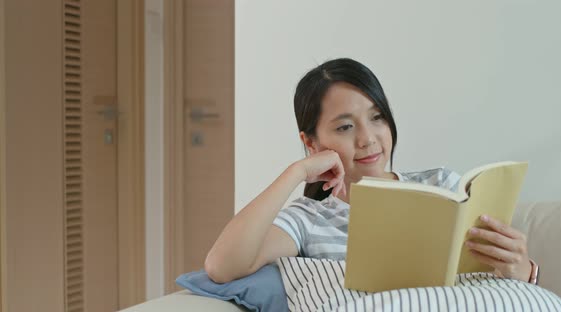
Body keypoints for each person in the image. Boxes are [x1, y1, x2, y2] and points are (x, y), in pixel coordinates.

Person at [205, 58, 536, 286]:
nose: (368, 139)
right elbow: (222, 266)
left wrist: (521, 267)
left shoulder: (444, 186)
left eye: (377, 117)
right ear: (311, 142)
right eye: (346, 126)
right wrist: (296, 172)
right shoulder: (309, 219)